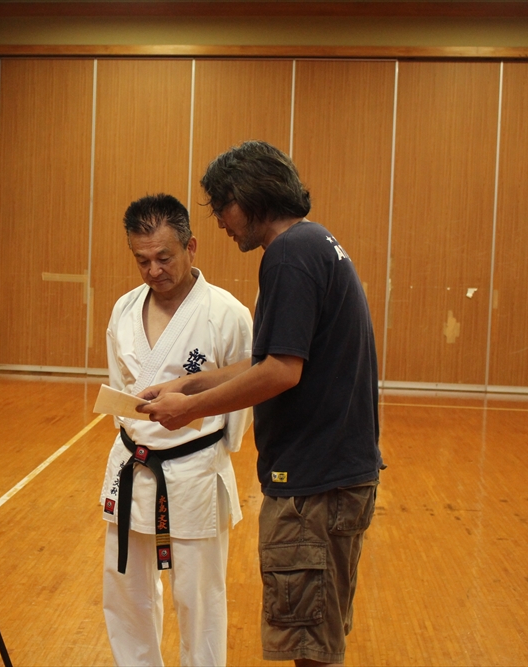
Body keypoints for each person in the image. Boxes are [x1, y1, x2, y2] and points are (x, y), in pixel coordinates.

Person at [138, 141, 383, 667]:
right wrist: (189, 386)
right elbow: (267, 358)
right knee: (315, 635)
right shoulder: (316, 244)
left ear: (249, 198)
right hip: (335, 473)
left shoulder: (289, 255)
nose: (223, 224)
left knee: (309, 645)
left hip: (316, 482)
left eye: (223, 207)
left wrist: (188, 411)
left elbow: (280, 372)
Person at [100, 194, 253, 667]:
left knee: (199, 597)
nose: (153, 270)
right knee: (126, 592)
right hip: (132, 464)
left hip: (195, 470)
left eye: (164, 257)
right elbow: (122, 392)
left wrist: (215, 453)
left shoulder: (227, 314)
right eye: (141, 260)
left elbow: (243, 397)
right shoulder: (124, 310)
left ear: (192, 247)